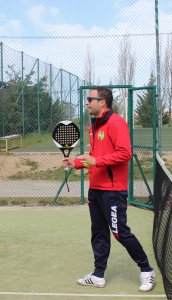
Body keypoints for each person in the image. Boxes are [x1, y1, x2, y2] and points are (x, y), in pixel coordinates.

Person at [62, 86, 155, 292]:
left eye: (90, 99)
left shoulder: (116, 123)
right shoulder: (93, 126)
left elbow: (125, 153)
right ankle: (98, 275)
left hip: (113, 191)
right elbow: (94, 157)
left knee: (120, 232)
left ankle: (147, 270)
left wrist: (96, 160)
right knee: (99, 233)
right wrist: (76, 163)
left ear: (102, 101)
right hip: (95, 190)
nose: (87, 102)